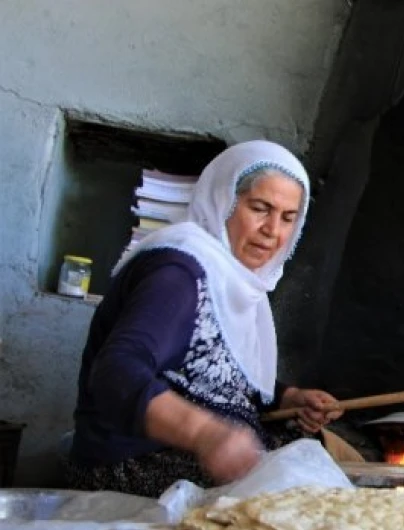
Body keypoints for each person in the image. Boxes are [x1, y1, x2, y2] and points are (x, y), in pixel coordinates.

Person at [67, 140, 348, 498]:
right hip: (131, 466)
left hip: (180, 460)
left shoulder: (234, 280)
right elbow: (116, 372)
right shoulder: (178, 272)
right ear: (223, 201)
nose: (272, 230)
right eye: (260, 208)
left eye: (288, 218)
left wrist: (286, 398)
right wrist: (205, 434)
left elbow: (212, 373)